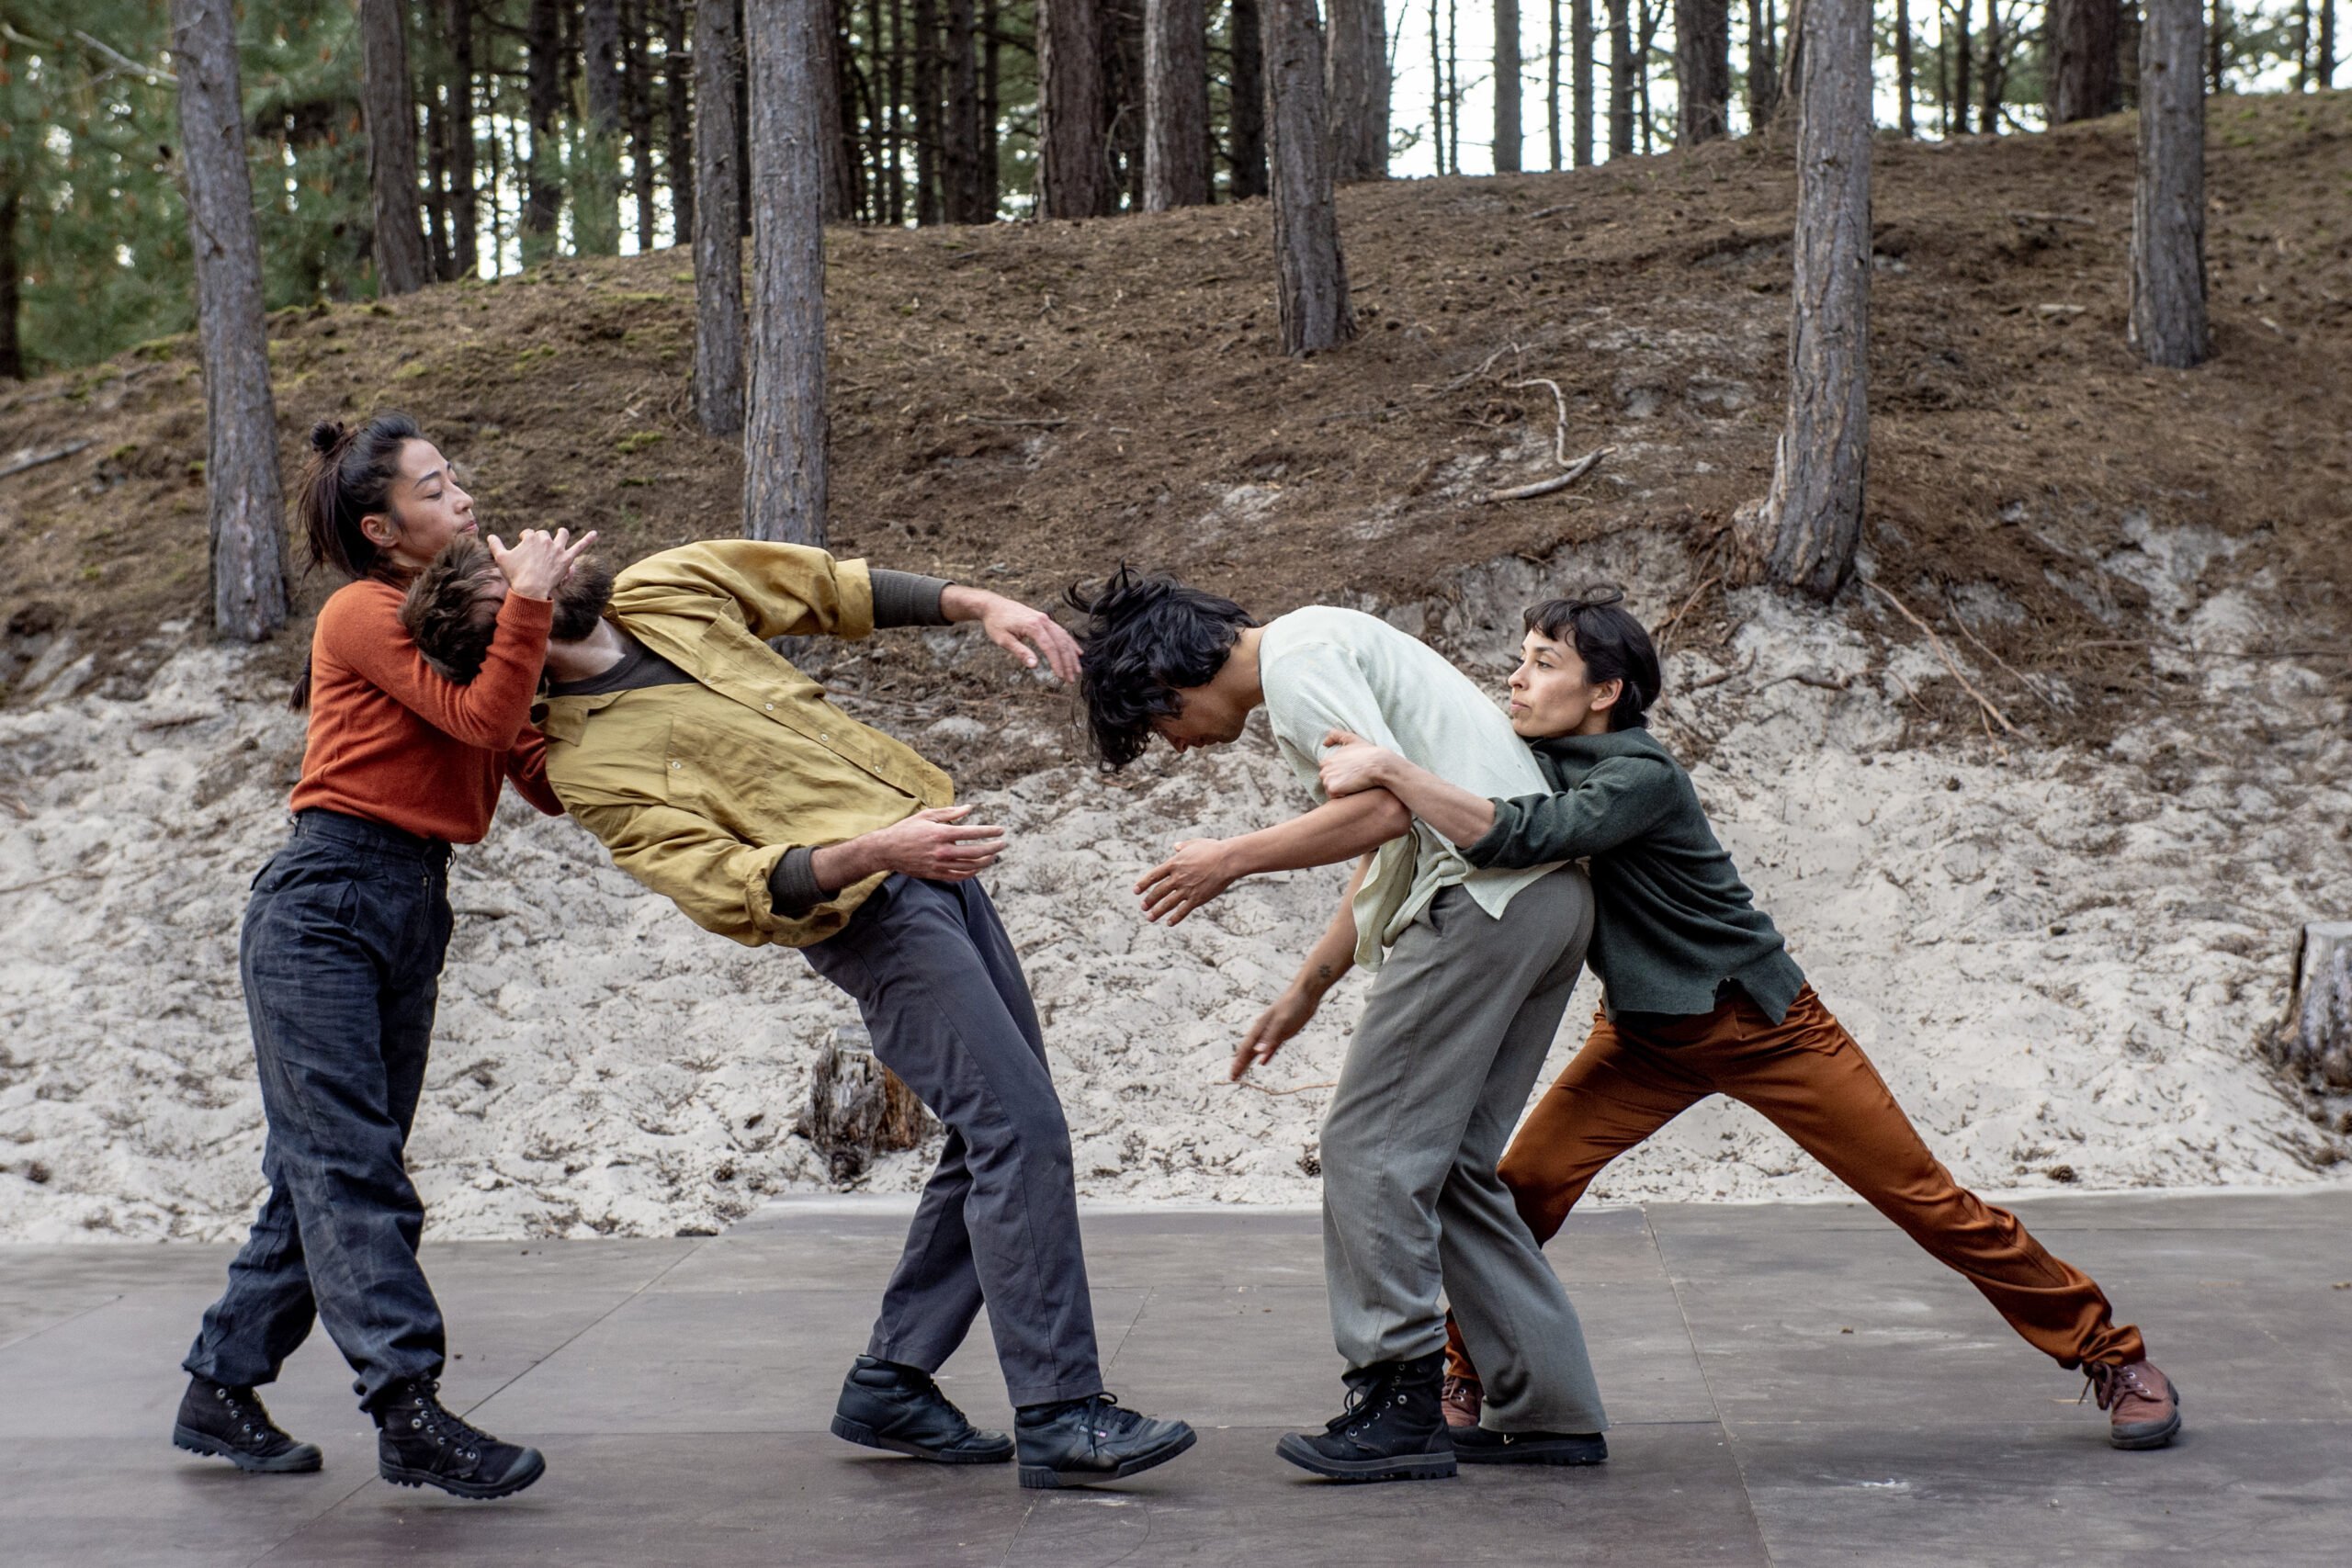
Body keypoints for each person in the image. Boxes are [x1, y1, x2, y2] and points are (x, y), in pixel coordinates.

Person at [401, 536, 1197, 1490]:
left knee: (996, 1133)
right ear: (504, 630)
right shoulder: (591, 765)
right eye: (508, 574)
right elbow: (728, 888)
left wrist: (979, 602)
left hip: (934, 869)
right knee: (1018, 1131)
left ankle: (892, 1381)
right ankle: (1062, 1413)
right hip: (872, 915)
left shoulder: (662, 590)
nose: (536, 555)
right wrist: (876, 852)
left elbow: (823, 587)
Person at [1313, 588, 2183, 1451]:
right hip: (1642, 1041)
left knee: (1927, 1201)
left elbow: (1527, 835)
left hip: (1766, 1026)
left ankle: (2112, 1355)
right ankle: (1468, 1369)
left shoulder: (1642, 775)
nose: (1517, 679)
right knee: (1516, 1192)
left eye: (1545, 664)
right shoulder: (1525, 755)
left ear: (1605, 691)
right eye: (1521, 659)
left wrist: (1390, 766)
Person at [1064, 569, 1610, 1483]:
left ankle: (1397, 1398)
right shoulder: (1321, 642)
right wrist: (1306, 989)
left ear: (1168, 683)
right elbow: (1391, 832)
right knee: (1452, 1170)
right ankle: (1548, 1405)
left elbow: (1381, 809)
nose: (1177, 746)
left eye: (1158, 727)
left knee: (1368, 1149)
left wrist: (1230, 858)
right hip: (1546, 904)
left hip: (1480, 907)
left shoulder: (1295, 662)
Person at [175, 414, 594, 1500]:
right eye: (435, 487)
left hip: (410, 902)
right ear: (382, 525)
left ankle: (220, 1383)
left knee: (321, 1167)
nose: (463, 500)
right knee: (351, 1168)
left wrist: (592, 693)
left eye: (457, 479)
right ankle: (407, 1413)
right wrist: (533, 611)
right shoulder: (358, 613)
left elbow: (528, 761)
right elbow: (477, 717)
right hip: (325, 902)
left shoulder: (457, 625)